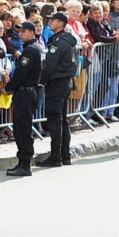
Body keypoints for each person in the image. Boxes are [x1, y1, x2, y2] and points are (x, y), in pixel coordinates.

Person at [37, 11, 79, 167]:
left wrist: (41, 81)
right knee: (62, 119)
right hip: (65, 82)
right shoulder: (67, 41)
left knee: (55, 120)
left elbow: (50, 66)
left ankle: (56, 156)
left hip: (57, 83)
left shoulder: (58, 42)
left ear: (60, 23)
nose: (50, 23)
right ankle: (64, 154)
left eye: (53, 20)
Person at [4, 21, 43, 177]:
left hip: (25, 93)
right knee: (21, 127)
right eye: (20, 32)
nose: (20, 34)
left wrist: (8, 87)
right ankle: (23, 161)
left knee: (22, 129)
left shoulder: (30, 51)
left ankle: (25, 163)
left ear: (32, 33)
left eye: (24, 31)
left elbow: (21, 73)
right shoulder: (32, 48)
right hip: (27, 92)